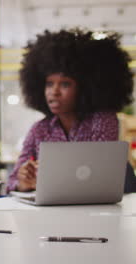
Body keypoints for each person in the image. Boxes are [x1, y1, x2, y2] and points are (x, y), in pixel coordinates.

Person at [8, 28, 134, 192]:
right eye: (49, 84)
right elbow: (11, 182)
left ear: (84, 88)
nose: (54, 91)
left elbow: (99, 175)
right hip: (51, 210)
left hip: (95, 208)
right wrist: (22, 181)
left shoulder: (102, 120)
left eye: (65, 84)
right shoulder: (39, 130)